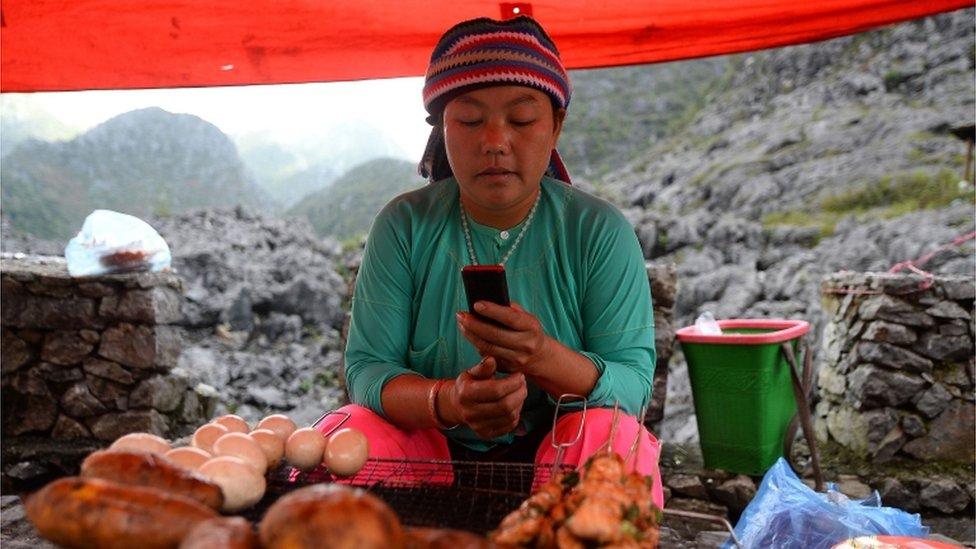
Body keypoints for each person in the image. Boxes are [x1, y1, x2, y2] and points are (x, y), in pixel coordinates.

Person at [316, 15, 663, 507]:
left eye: (521, 120)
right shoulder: (402, 226)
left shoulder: (598, 232)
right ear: (442, 127)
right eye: (470, 120)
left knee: (613, 440)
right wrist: (448, 401)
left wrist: (542, 357)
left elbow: (631, 387)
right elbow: (369, 372)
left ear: (555, 125)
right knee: (345, 437)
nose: (495, 141)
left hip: (559, 451)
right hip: (429, 449)